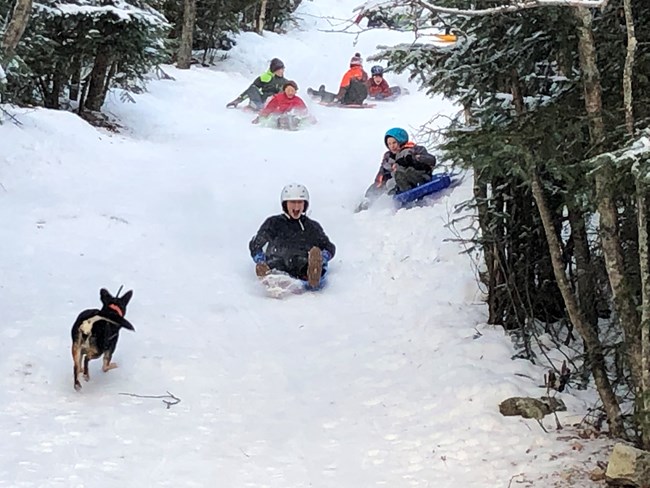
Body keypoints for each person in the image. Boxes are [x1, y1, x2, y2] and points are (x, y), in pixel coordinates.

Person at [249, 184, 336, 288]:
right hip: (277, 264)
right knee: (276, 265)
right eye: (292, 202)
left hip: (302, 266)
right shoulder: (274, 223)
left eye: (300, 202)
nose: (296, 206)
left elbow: (329, 247)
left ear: (305, 205)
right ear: (285, 204)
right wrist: (260, 260)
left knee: (305, 262)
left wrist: (322, 258)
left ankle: (313, 275)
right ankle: (269, 278)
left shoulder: (311, 226)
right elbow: (256, 244)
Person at [366, 127, 437, 199]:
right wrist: (372, 193)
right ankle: (366, 203)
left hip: (419, 176)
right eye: (389, 144)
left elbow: (432, 160)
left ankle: (408, 188)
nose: (392, 146)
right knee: (389, 183)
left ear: (401, 141)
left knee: (403, 173)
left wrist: (416, 158)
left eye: (394, 143)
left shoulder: (414, 149)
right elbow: (381, 176)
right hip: (398, 182)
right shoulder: (388, 158)